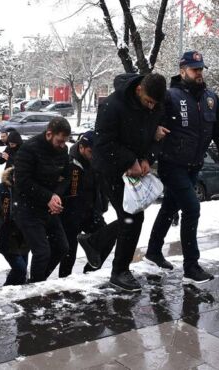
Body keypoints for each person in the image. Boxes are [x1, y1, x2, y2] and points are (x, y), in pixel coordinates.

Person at [144, 51, 219, 284]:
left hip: (194, 165)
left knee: (170, 208)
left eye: (201, 69)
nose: (199, 73)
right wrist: (153, 133)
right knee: (192, 209)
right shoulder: (170, 96)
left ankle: (153, 252)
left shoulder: (210, 99)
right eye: (195, 69)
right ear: (182, 70)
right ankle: (191, 266)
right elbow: (151, 122)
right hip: (172, 163)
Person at [90, 72, 166, 292]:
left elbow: (157, 136)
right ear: (139, 89)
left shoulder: (157, 103)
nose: (152, 107)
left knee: (131, 216)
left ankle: (96, 242)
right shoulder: (113, 105)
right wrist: (129, 160)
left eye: (156, 103)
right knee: (132, 216)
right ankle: (119, 271)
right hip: (109, 168)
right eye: (148, 102)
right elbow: (103, 142)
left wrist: (146, 159)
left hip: (135, 167)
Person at [13, 117, 71, 283]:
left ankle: (38, 281)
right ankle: (35, 289)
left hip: (49, 206)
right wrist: (48, 196)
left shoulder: (62, 150)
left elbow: (66, 177)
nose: (62, 145)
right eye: (59, 141)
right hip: (27, 207)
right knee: (42, 252)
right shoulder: (28, 149)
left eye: (64, 142)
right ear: (49, 134)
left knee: (62, 247)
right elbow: (23, 182)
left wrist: (57, 195)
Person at [59, 131, 108, 277]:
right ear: (81, 147)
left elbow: (101, 185)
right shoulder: (69, 162)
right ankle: (64, 281)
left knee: (106, 238)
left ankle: (90, 271)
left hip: (91, 211)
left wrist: (102, 205)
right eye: (90, 151)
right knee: (69, 254)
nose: (93, 155)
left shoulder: (97, 161)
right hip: (70, 214)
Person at [0, 167, 29, 285]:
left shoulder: (28, 188)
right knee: (20, 268)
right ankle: (7, 289)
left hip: (23, 235)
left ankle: (16, 291)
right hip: (7, 235)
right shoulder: (1, 189)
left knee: (22, 270)